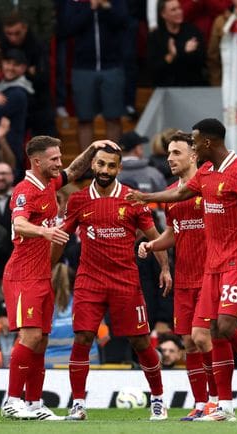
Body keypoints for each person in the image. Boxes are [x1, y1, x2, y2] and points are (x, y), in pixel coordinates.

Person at [126, 118, 237, 422]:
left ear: (207, 143)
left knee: (224, 327)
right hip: (214, 263)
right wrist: (147, 197)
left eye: (195, 143)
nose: (194, 148)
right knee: (202, 333)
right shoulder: (207, 175)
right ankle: (222, 406)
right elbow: (181, 194)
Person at [0, 136, 117, 421]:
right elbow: (19, 223)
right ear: (36, 161)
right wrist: (44, 232)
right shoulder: (24, 190)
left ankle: (34, 403)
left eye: (60, 157)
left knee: (40, 340)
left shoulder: (49, 183)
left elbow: (75, 171)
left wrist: (92, 148)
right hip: (22, 275)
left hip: (42, 275)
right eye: (54, 159)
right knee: (29, 336)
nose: (59, 163)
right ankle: (11, 400)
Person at [62, 144, 172, 421]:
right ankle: (77, 403)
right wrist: (48, 266)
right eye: (101, 164)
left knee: (140, 341)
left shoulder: (132, 199)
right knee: (83, 337)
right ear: (93, 165)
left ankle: (158, 398)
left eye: (111, 166)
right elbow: (62, 237)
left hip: (125, 281)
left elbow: (154, 236)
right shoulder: (77, 200)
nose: (105, 170)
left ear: (119, 168)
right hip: (89, 280)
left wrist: (166, 269)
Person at [137, 131, 218, 420]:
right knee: (189, 342)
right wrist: (152, 244)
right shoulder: (172, 194)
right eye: (169, 153)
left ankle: (218, 400)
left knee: (207, 338)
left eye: (176, 153)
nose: (169, 158)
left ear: (193, 155)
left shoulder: (209, 187)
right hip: (184, 279)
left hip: (210, 276)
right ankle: (200, 403)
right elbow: (174, 233)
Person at [63, 0, 128, 150]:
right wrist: (90, 8)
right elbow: (68, 27)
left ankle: (113, 159)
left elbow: (123, 22)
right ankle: (85, 165)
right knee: (84, 119)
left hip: (112, 65)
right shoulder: (76, 2)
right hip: (83, 67)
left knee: (113, 118)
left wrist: (105, 7)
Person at [147, 0, 208, 87]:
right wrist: (172, 56)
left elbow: (201, 60)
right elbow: (154, 69)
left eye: (179, 8)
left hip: (192, 86)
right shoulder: (156, 37)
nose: (179, 12)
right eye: (173, 10)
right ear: (163, 14)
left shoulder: (192, 31)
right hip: (167, 87)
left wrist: (176, 55)